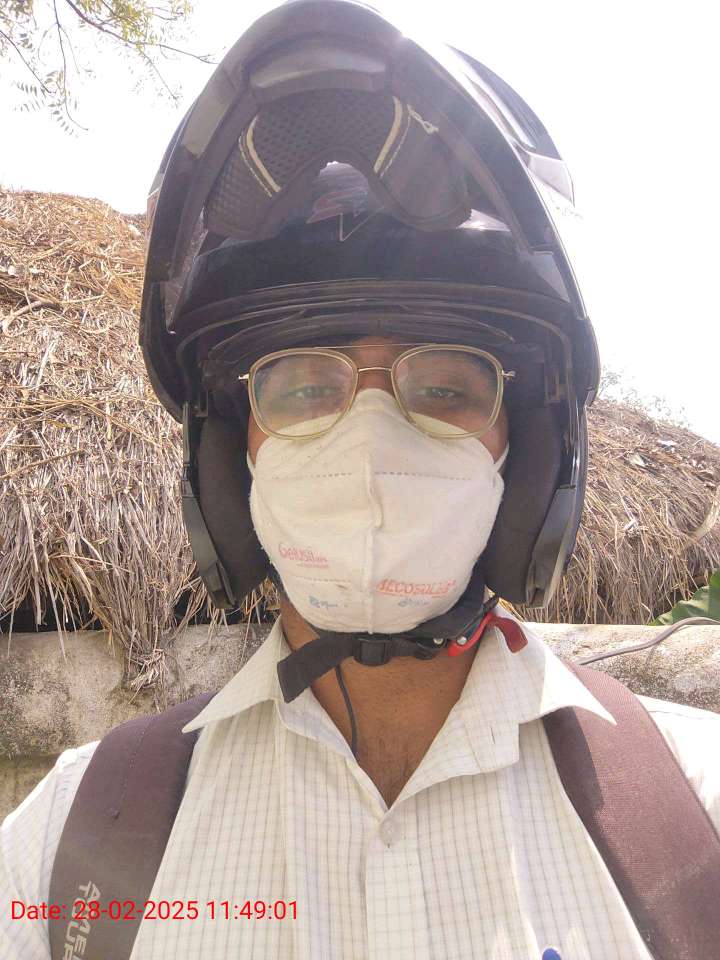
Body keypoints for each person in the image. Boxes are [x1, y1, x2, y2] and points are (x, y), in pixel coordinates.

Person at [2, 3, 719, 959]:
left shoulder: (696, 817)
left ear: (530, 449)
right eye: (303, 385)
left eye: (448, 386)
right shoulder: (70, 846)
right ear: (232, 456)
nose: (371, 437)